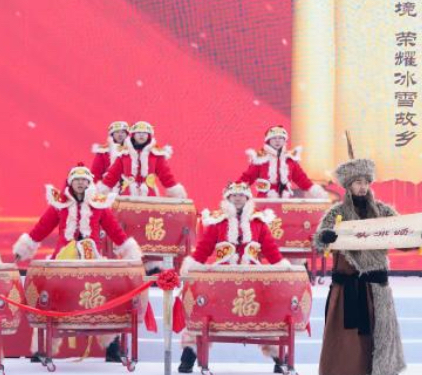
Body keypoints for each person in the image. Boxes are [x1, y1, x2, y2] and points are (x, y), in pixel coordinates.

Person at [313, 155, 422, 375]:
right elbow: (320, 244)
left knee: (378, 342)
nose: (363, 187)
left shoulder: (382, 211)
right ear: (349, 185)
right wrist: (326, 238)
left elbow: (402, 235)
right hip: (347, 292)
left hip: (376, 290)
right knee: (346, 345)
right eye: (358, 182)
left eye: (366, 182)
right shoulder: (336, 213)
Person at [13, 164, 142, 363]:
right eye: (77, 180)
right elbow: (41, 228)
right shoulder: (59, 204)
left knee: (104, 299)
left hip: (92, 259)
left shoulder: (99, 205)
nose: (80, 183)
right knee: (51, 301)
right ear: (71, 182)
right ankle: (43, 348)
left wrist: (130, 250)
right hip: (63, 259)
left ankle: (112, 347)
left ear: (89, 183)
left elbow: (115, 231)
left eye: (84, 180)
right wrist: (22, 250)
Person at [176, 182, 284, 374]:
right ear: (227, 198)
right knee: (202, 316)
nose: (238, 198)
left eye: (241, 195)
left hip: (253, 283)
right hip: (222, 283)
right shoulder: (217, 223)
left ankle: (280, 360)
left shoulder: (258, 223)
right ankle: (187, 360)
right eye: (233, 195)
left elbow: (271, 251)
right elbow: (202, 251)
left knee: (269, 316)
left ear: (248, 198)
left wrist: (284, 270)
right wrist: (190, 268)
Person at [100, 121, 186, 198]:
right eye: (138, 133)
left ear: (148, 136)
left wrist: (175, 191)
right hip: (127, 196)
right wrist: (102, 191)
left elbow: (166, 176)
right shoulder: (124, 154)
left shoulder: (156, 155)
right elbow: (112, 174)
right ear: (133, 135)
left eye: (144, 133)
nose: (141, 135)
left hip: (150, 196)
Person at [238, 126, 326, 199]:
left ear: (284, 140)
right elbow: (247, 177)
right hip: (265, 199)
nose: (277, 141)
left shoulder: (290, 159)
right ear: (268, 141)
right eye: (274, 138)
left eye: (280, 138)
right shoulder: (261, 159)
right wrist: (236, 189)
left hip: (285, 199)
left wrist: (314, 190)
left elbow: (301, 178)